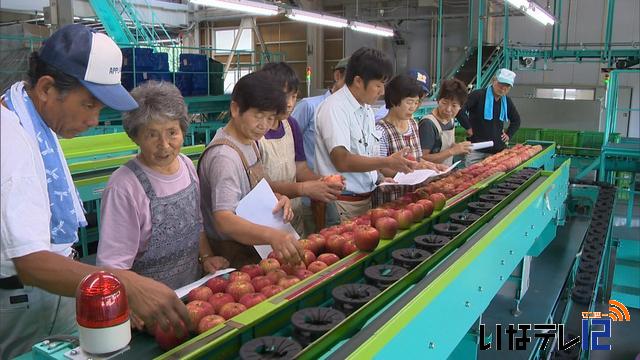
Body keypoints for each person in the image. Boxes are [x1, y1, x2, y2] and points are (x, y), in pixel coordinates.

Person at [0, 24, 189, 359]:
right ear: (46, 88)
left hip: (50, 292)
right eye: (89, 105)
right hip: (22, 301)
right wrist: (126, 283)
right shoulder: (11, 141)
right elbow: (30, 263)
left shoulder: (30, 121)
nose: (94, 120)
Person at [96, 81, 229, 290]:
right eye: (151, 135)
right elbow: (112, 268)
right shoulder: (124, 187)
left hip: (192, 294)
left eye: (172, 132)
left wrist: (206, 257)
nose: (164, 145)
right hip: (149, 307)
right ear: (135, 136)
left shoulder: (186, 165)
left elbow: (197, 223)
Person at [198, 71, 304, 268]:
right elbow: (224, 219)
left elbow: (250, 191)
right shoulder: (224, 157)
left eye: (271, 117)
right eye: (258, 116)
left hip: (254, 248)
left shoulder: (249, 141)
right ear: (236, 109)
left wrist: (279, 197)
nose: (264, 125)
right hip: (232, 256)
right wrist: (271, 235)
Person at [315, 47, 417, 222]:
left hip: (364, 200)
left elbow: (365, 153)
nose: (382, 92)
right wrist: (388, 161)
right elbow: (342, 160)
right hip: (341, 203)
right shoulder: (335, 108)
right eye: (378, 85)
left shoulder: (367, 109)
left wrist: (380, 178)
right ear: (358, 81)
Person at [258, 62, 342, 237]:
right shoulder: (256, 132)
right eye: (284, 96)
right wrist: (304, 188)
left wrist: (322, 181)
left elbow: (300, 168)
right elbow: (260, 185)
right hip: (264, 220)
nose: (289, 104)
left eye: (294, 97)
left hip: (293, 215)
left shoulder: (291, 125)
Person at [291, 57, 349, 231]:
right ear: (338, 76)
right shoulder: (309, 107)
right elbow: (289, 148)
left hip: (342, 196)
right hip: (310, 200)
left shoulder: (352, 112)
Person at [374, 75, 447, 207]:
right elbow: (381, 168)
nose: (413, 107)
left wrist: (432, 167)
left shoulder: (413, 124)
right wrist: (415, 168)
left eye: (416, 102)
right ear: (393, 99)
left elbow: (418, 158)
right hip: (391, 199)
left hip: (414, 196)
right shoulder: (381, 130)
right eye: (409, 102)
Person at [457, 68, 521, 166]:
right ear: (494, 80)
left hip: (497, 150)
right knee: (472, 177)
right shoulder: (478, 95)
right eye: (501, 84)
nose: (503, 88)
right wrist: (468, 127)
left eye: (507, 86)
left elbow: (516, 120)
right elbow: (459, 110)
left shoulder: (506, 101)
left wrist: (509, 134)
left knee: (493, 178)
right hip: (476, 150)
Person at [419, 78, 472, 165]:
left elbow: (446, 147)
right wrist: (452, 151)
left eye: (454, 106)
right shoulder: (428, 124)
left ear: (460, 107)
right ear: (438, 100)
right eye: (444, 103)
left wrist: (458, 148)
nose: (448, 109)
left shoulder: (450, 119)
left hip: (445, 172)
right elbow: (422, 158)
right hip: (430, 177)